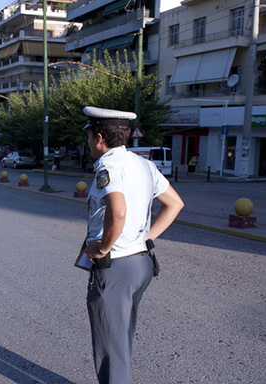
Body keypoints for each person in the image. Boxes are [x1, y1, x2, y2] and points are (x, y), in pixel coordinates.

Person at [82, 106, 184, 383]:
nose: (88, 142)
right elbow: (175, 204)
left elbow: (119, 211)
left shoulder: (109, 166)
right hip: (141, 262)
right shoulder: (144, 164)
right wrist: (147, 237)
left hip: (116, 266)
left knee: (111, 348)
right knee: (121, 337)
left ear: (99, 136)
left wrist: (102, 248)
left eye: (89, 136)